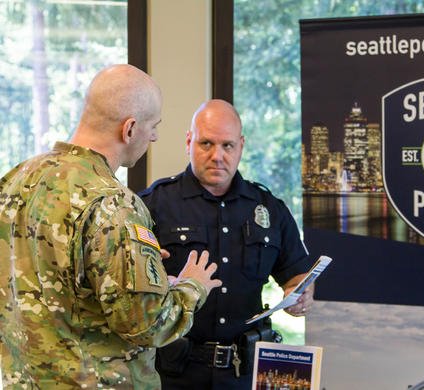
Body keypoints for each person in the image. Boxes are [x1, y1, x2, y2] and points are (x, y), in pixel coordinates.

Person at [0, 64, 222, 389]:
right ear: (129, 129)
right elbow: (150, 325)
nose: (155, 135)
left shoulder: (15, 181)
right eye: (153, 126)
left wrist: (133, 271)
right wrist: (191, 286)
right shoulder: (113, 204)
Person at [139, 99, 315, 389]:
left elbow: (297, 275)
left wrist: (300, 294)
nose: (217, 156)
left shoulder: (269, 209)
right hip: (173, 373)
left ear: (241, 146)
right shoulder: (153, 204)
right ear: (189, 142)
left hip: (244, 373)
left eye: (227, 145)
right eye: (206, 143)